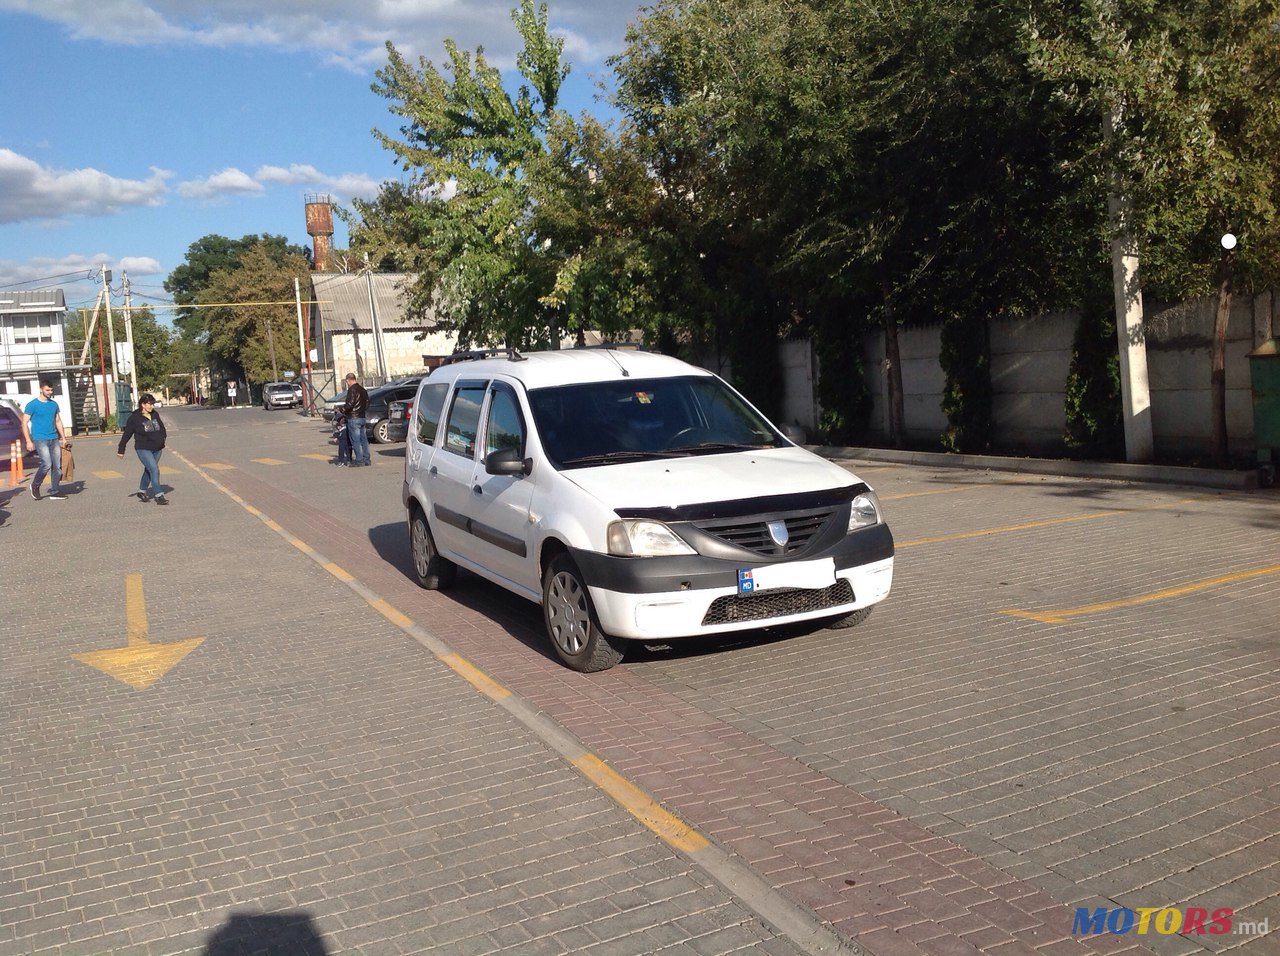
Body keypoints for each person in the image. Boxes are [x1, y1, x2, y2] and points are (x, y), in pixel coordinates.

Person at [21, 377, 69, 501]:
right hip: (40, 438)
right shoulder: (32, 405)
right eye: (47, 390)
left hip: (54, 438)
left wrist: (63, 438)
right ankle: (35, 485)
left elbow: (57, 421)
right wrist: (28, 440)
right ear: (41, 389)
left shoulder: (53, 404)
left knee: (57, 466)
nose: (50, 392)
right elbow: (24, 422)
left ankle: (55, 491)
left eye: (51, 390)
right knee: (46, 464)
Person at [117, 393, 169, 505]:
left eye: (152, 404)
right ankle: (159, 496)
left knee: (149, 470)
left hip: (157, 449)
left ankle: (141, 491)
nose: (152, 406)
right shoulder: (134, 418)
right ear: (143, 404)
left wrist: (163, 438)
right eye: (149, 404)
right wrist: (121, 449)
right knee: (154, 470)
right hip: (143, 448)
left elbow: (162, 428)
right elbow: (127, 435)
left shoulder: (154, 414)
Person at [341, 372, 371, 467]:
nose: (347, 384)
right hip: (362, 417)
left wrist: (343, 409)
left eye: (347, 382)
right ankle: (366, 459)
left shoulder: (352, 390)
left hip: (353, 418)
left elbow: (350, 404)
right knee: (364, 440)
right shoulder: (363, 389)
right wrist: (362, 410)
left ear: (348, 380)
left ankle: (359, 460)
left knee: (356, 440)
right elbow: (367, 403)